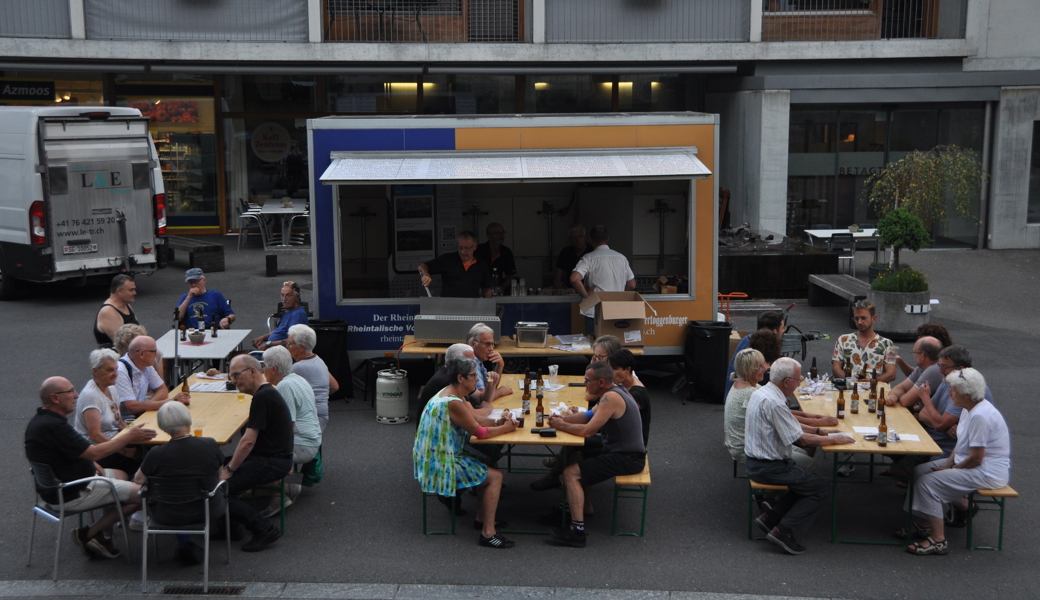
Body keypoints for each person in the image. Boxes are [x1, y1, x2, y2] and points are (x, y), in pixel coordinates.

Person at [25, 376, 156, 559]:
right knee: (142, 494)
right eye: (71, 391)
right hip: (73, 491)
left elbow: (76, 452)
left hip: (56, 487)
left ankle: (103, 537)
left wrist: (90, 463)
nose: (76, 395)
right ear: (55, 398)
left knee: (121, 474)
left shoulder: (40, 421)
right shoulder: (55, 427)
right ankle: (88, 534)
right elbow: (94, 453)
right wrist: (127, 437)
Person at [745, 357, 853, 555]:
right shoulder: (775, 402)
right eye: (798, 378)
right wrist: (836, 439)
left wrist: (822, 431)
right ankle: (783, 531)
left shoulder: (763, 392)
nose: (800, 382)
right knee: (820, 489)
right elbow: (802, 440)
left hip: (758, 462)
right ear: (787, 381)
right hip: (769, 466)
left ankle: (771, 518)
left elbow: (790, 425)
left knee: (807, 481)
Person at [901, 368, 1010, 556]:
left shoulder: (979, 417)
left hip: (987, 472)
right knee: (920, 471)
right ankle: (924, 524)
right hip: (970, 464)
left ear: (967, 394)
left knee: (929, 483)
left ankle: (938, 540)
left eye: (953, 390)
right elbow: (961, 444)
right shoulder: (969, 408)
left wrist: (952, 469)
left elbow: (976, 458)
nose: (949, 393)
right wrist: (946, 465)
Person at [413, 357, 517, 548]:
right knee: (496, 477)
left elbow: (476, 420)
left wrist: (498, 422)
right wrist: (507, 429)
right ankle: (488, 533)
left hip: (435, 456)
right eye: (473, 376)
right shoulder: (454, 403)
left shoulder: (452, 394)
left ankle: (481, 519)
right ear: (461, 378)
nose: (477, 380)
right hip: (439, 464)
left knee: (487, 460)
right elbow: (480, 432)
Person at [545, 361, 646, 548]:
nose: (585, 384)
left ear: (601, 382)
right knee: (575, 456)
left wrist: (563, 426)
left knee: (570, 473)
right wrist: (560, 419)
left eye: (587, 380)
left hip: (628, 457)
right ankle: (572, 510)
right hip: (619, 450)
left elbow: (588, 431)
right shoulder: (611, 392)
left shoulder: (611, 398)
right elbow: (587, 416)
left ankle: (577, 531)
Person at [132, 401, 225, 566]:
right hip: (207, 510)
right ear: (188, 420)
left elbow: (138, 480)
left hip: (167, 514)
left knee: (175, 501)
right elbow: (221, 476)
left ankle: (184, 544)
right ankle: (185, 545)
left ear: (162, 426)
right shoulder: (209, 444)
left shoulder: (156, 453)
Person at [219, 354, 294, 552]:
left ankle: (264, 529)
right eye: (231, 377)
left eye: (236, 375)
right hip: (273, 457)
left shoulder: (263, 397)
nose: (233, 381)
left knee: (220, 490)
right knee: (213, 464)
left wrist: (230, 468)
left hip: (271, 461)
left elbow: (248, 441)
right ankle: (230, 527)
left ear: (252, 371)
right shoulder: (266, 394)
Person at [261, 346, 321, 515]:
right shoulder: (297, 379)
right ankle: (289, 487)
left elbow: (287, 426)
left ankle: (278, 497)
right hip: (312, 439)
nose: (262, 370)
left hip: (302, 444)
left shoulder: (284, 387)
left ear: (273, 369)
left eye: (264, 366)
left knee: (257, 452)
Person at [916, 345, 994, 459]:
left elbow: (939, 425)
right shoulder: (946, 382)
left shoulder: (966, 391)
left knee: (920, 473)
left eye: (944, 367)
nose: (940, 371)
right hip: (932, 440)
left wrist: (925, 398)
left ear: (960, 369)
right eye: (939, 365)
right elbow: (923, 414)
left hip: (950, 451)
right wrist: (946, 427)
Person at [73, 349, 140, 475]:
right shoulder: (91, 395)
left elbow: (119, 422)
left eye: (116, 369)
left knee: (144, 449)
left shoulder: (112, 388)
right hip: (97, 451)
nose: (115, 374)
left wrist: (133, 436)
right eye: (110, 370)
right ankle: (135, 490)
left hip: (113, 442)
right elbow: (95, 435)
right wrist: (124, 450)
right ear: (95, 371)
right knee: (139, 463)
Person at [570, 225, 636, 336]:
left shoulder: (589, 258)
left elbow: (574, 279)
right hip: (616, 310)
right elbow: (632, 284)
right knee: (613, 347)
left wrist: (587, 296)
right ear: (608, 239)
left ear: (591, 241)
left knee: (596, 348)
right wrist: (620, 295)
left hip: (595, 311)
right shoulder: (621, 258)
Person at [115, 335, 190, 421]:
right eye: (154, 351)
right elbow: (132, 407)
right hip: (125, 423)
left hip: (140, 417)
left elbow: (163, 390)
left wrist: (147, 405)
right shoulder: (120, 371)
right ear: (142, 354)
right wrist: (170, 402)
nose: (156, 354)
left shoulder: (146, 365)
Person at [286, 324, 339, 432]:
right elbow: (334, 386)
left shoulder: (298, 368)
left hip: (308, 417)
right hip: (321, 416)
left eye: (290, 343)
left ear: (301, 347)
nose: (287, 346)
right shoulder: (319, 361)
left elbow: (281, 388)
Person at [831, 300, 896, 382]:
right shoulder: (843, 339)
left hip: (874, 388)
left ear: (874, 319)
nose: (859, 322)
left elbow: (892, 374)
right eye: (856, 318)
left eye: (863, 318)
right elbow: (836, 368)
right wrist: (850, 381)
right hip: (849, 387)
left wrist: (872, 381)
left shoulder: (888, 344)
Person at [725, 311, 786, 397]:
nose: (784, 330)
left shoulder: (748, 339)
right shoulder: (759, 350)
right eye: (783, 328)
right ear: (775, 331)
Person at [418, 231, 492, 298]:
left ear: (475, 247)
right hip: (448, 308)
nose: (463, 252)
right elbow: (422, 266)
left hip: (471, 308)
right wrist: (426, 275)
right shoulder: (447, 259)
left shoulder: (481, 264)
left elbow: (486, 289)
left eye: (466, 248)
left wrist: (489, 309)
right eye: (460, 247)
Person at [724, 348, 767, 463]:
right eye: (760, 367)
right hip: (747, 450)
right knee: (807, 460)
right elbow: (777, 420)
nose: (765, 369)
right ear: (747, 370)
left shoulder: (739, 382)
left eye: (763, 364)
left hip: (736, 444)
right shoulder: (750, 393)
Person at [608, 349, 651, 448]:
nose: (610, 373)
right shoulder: (623, 384)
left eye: (614, 369)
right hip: (619, 439)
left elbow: (622, 422)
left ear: (627, 370)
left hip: (628, 448)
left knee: (579, 450)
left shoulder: (636, 394)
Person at [886, 336, 944, 408]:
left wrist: (898, 397)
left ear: (922, 356)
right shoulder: (921, 367)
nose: (913, 355)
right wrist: (893, 396)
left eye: (914, 352)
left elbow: (906, 401)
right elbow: (901, 387)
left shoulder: (934, 370)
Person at [252, 280, 308, 350]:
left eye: (288, 295)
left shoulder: (298, 315)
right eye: (282, 295)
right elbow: (280, 330)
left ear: (297, 297)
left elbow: (293, 342)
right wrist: (263, 338)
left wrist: (268, 344)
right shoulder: (288, 311)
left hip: (281, 355)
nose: (284, 299)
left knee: (239, 356)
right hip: (273, 351)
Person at [469, 323, 512, 403]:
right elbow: (483, 399)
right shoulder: (471, 362)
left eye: (492, 344)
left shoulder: (478, 361)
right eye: (487, 344)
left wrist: (500, 365)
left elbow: (491, 388)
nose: (491, 349)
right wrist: (501, 391)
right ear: (473, 344)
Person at [94, 274, 140, 348]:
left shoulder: (126, 305)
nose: (135, 293)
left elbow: (138, 330)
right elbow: (123, 345)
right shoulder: (108, 311)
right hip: (116, 357)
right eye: (131, 290)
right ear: (119, 291)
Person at [475, 222, 517, 292]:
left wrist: (502, 287)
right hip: (480, 289)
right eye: (497, 233)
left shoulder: (506, 251)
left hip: (498, 288)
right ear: (488, 236)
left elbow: (510, 275)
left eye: (502, 233)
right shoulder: (478, 251)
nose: (501, 236)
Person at [554, 225, 593, 289]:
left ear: (585, 236)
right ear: (570, 239)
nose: (578, 240)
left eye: (580, 237)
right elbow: (557, 278)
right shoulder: (566, 252)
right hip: (570, 289)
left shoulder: (592, 251)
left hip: (589, 290)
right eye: (574, 238)